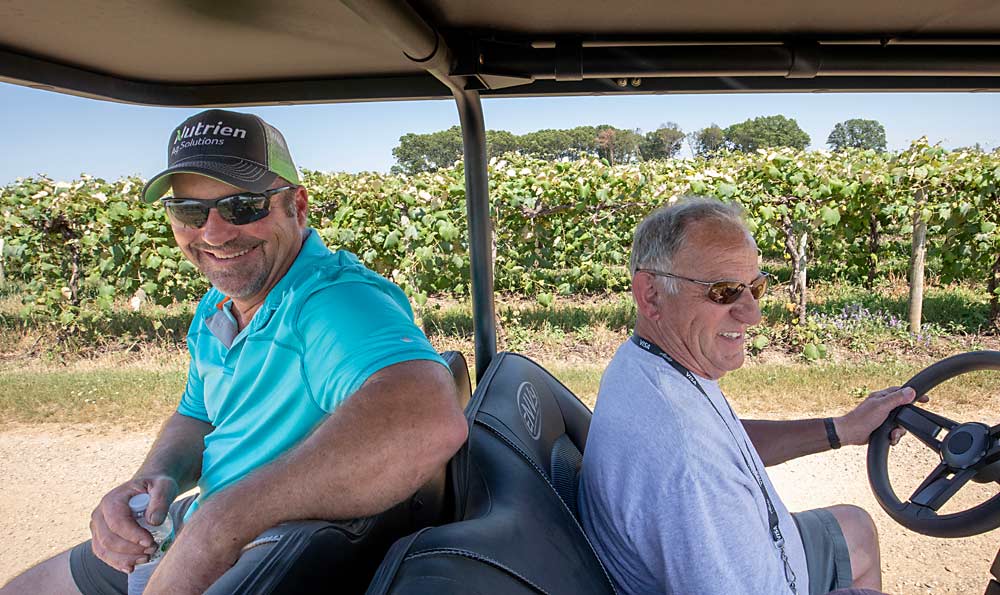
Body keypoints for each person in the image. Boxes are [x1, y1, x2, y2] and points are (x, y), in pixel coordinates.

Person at [2, 109, 468, 595]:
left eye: (243, 207)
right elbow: (199, 414)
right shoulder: (219, 304)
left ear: (297, 206)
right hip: (202, 524)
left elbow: (426, 417)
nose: (214, 234)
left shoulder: (332, 301)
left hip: (253, 552)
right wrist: (153, 477)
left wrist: (220, 525)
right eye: (189, 212)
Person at [578, 197, 922, 595]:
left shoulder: (650, 365)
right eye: (724, 291)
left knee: (856, 528)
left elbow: (727, 442)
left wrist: (841, 429)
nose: (752, 313)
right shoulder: (686, 465)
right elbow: (697, 465)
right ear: (651, 295)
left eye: (755, 286)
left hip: (767, 551)